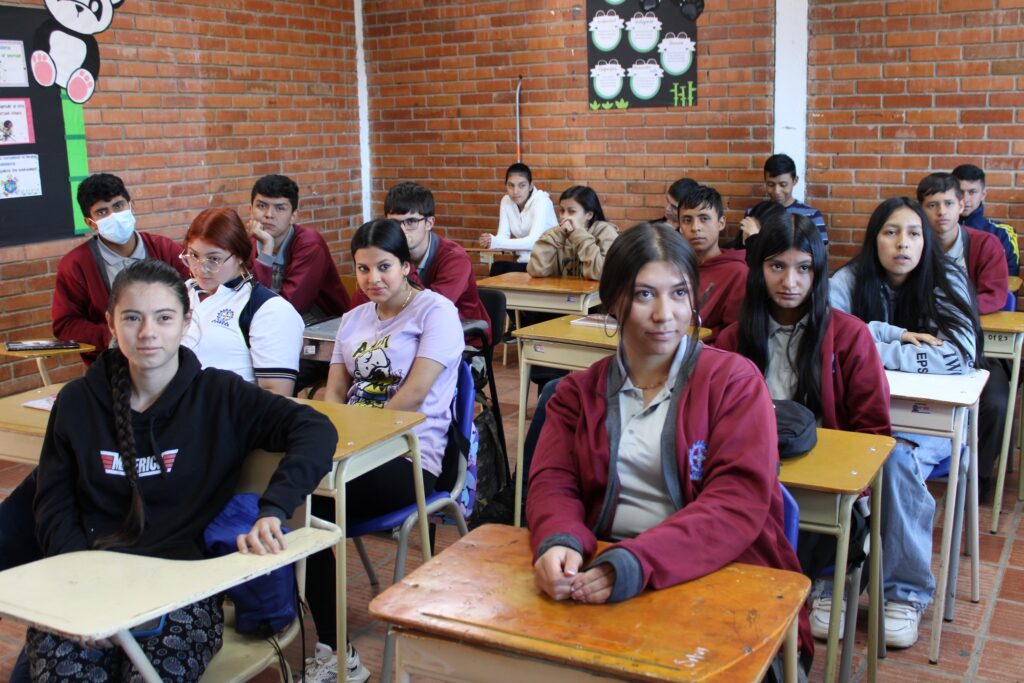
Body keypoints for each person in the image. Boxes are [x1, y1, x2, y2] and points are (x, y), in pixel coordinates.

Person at [26, 259, 336, 682]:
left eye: (164, 317)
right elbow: (53, 505)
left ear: (187, 321)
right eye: (132, 317)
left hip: (183, 591)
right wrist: (82, 593)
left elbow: (314, 428)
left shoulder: (219, 396)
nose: (148, 332)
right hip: (88, 584)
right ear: (111, 324)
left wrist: (273, 508)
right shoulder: (78, 401)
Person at [526, 222, 813, 675]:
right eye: (644, 295)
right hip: (603, 575)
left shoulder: (733, 383)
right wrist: (557, 540)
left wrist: (636, 562)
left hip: (720, 575)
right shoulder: (576, 394)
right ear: (613, 301)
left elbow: (735, 504)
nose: (665, 314)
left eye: (679, 294)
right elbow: (552, 482)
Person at [715, 212, 891, 643]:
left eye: (803, 268)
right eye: (777, 266)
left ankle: (829, 580)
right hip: (755, 480)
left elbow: (873, 433)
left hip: (824, 491)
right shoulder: (734, 339)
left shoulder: (850, 337)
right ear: (759, 271)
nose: (789, 281)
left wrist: (844, 482)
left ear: (818, 272)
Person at [303, 218, 464, 683]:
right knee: (291, 503)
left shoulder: (436, 313)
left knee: (306, 508)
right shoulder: (354, 319)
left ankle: (335, 652)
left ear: (407, 267)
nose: (373, 279)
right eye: (363, 269)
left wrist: (356, 445)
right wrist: (338, 442)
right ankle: (334, 648)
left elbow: (413, 395)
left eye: (384, 267)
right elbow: (335, 393)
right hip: (351, 449)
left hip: (411, 454)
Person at [830, 197, 982, 648]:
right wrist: (892, 339)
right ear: (874, 238)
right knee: (833, 456)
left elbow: (957, 356)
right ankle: (829, 580)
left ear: (925, 241)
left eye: (913, 233)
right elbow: (827, 340)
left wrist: (866, 348)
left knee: (892, 460)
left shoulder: (945, 277)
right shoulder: (849, 279)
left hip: (925, 423)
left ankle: (904, 592)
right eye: (890, 232)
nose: (902, 243)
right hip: (857, 413)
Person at [917, 172, 1009, 496]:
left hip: (974, 349)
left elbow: (996, 295)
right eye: (932, 204)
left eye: (948, 203)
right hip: (922, 344)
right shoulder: (913, 243)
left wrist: (946, 309)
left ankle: (979, 478)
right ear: (921, 210)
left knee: (996, 401)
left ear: (962, 206)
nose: (941, 211)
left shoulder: (985, 244)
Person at [52, 173, 189, 365]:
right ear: (90, 223)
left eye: (118, 206)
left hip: (172, 356)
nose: (113, 216)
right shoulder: (76, 265)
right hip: (112, 365)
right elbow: (66, 324)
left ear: (131, 205)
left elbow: (194, 293)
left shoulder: (165, 249)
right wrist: (115, 335)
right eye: (102, 212)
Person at [181, 208, 305, 397]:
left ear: (239, 256)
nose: (200, 268)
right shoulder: (180, 293)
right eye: (194, 256)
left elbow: (277, 395)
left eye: (214, 259)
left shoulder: (267, 309)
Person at [350, 182, 490, 339]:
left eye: (411, 222)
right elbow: (361, 305)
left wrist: (403, 259)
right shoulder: (387, 257)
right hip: (404, 336)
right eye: (394, 223)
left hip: (462, 343)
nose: (402, 230)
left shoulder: (455, 258)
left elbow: (428, 309)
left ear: (429, 223)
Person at [247, 174, 350, 325]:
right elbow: (246, 300)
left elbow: (290, 308)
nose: (269, 215)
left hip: (322, 324)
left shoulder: (310, 245)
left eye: (280, 208)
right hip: (269, 323)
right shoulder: (247, 243)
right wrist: (267, 249)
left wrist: (266, 251)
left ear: (293, 216)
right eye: (261, 206)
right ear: (250, 210)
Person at [677, 184, 747, 342]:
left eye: (704, 218)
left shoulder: (737, 272)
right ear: (680, 227)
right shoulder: (674, 268)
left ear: (721, 223)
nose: (695, 228)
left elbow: (735, 335)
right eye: (687, 220)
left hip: (711, 356)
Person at [479, 162, 558, 272]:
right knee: (497, 268)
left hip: (546, 264)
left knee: (499, 269)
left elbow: (533, 242)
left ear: (530, 186)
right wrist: (490, 241)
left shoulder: (542, 201)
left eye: (522, 185)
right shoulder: (506, 201)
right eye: (511, 185)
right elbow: (502, 237)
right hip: (525, 262)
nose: (515, 191)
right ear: (505, 185)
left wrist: (495, 242)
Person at [527, 185, 619, 280]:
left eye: (572, 211)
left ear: (589, 215)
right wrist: (557, 236)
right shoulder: (554, 234)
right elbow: (535, 271)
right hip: (563, 293)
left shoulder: (606, 231)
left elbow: (601, 273)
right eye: (562, 211)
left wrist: (579, 234)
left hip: (595, 294)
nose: (564, 217)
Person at [952, 163, 1019, 275]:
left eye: (972, 192)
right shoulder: (935, 230)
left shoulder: (1002, 233)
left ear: (983, 195)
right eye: (960, 192)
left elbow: (1009, 281)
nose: (965, 199)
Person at [759, 154, 828, 245]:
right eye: (770, 184)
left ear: (795, 181)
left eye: (783, 185)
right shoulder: (755, 214)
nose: (776, 191)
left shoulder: (812, 215)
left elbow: (820, 253)